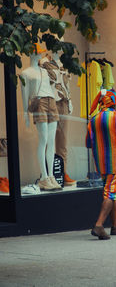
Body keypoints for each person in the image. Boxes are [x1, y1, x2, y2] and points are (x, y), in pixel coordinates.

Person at [86, 88, 116, 240]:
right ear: (114, 104)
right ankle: (99, 225)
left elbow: (88, 143)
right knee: (111, 193)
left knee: (111, 191)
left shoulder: (93, 120)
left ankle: (115, 226)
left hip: (101, 164)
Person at [20, 44, 62, 191]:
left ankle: (50, 176)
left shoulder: (45, 71)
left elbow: (51, 88)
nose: (39, 55)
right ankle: (43, 177)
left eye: (40, 53)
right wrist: (25, 113)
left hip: (51, 101)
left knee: (51, 141)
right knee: (43, 140)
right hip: (39, 102)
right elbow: (25, 95)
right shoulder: (25, 73)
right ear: (31, 54)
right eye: (37, 53)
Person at [39, 52, 76, 186]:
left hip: (63, 102)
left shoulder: (64, 63)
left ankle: (62, 172)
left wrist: (70, 101)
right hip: (50, 101)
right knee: (47, 140)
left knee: (62, 140)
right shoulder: (43, 62)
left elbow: (66, 85)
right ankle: (48, 174)